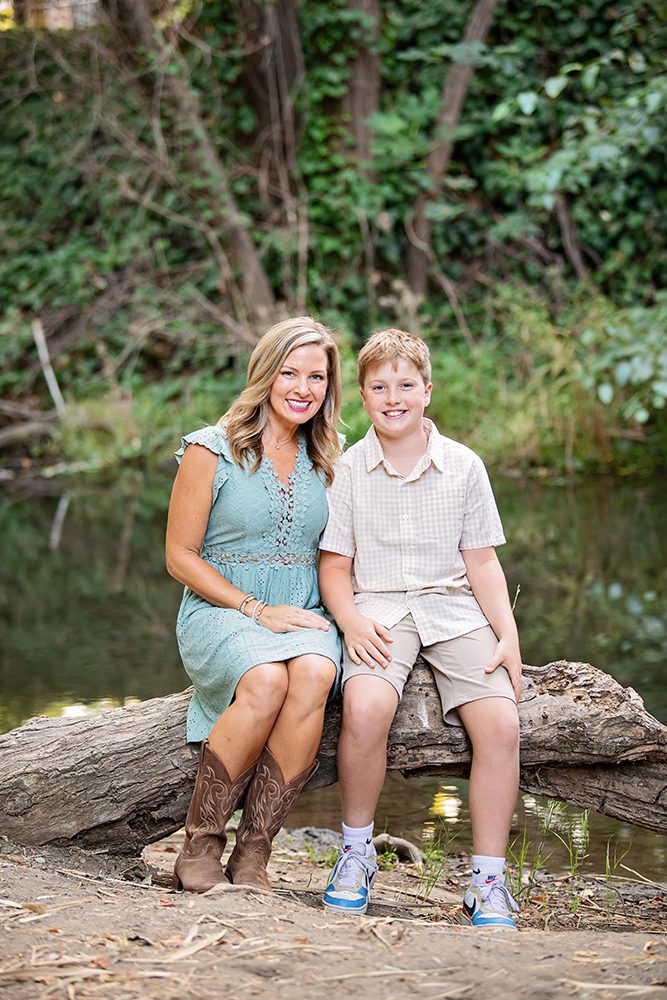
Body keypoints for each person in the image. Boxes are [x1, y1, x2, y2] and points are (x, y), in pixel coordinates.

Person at [318, 329, 522, 929]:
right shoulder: (349, 469)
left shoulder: (463, 466)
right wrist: (350, 619)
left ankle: (487, 880)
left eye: (406, 385)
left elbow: (481, 560)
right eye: (379, 387)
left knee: (503, 724)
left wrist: (507, 634)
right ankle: (356, 851)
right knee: (364, 706)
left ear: (427, 391)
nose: (394, 397)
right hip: (378, 608)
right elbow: (335, 565)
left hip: (454, 608)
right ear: (362, 396)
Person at [165, 317, 343, 894]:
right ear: (265, 375)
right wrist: (253, 609)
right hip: (222, 611)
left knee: (315, 672)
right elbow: (179, 557)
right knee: (265, 680)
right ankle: (200, 846)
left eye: (316, 376)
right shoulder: (209, 449)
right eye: (289, 372)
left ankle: (254, 854)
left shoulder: (328, 463)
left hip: (304, 611)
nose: (302, 388)